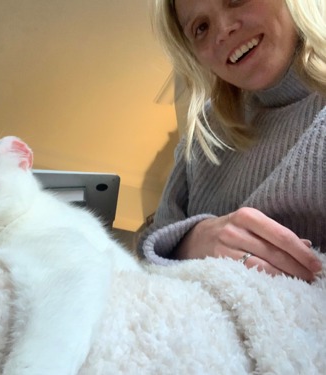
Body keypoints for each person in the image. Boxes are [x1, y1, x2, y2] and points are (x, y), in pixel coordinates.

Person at [139, 0, 326, 282]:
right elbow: (149, 245)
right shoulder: (204, 137)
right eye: (201, 27)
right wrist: (193, 239)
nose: (223, 30)